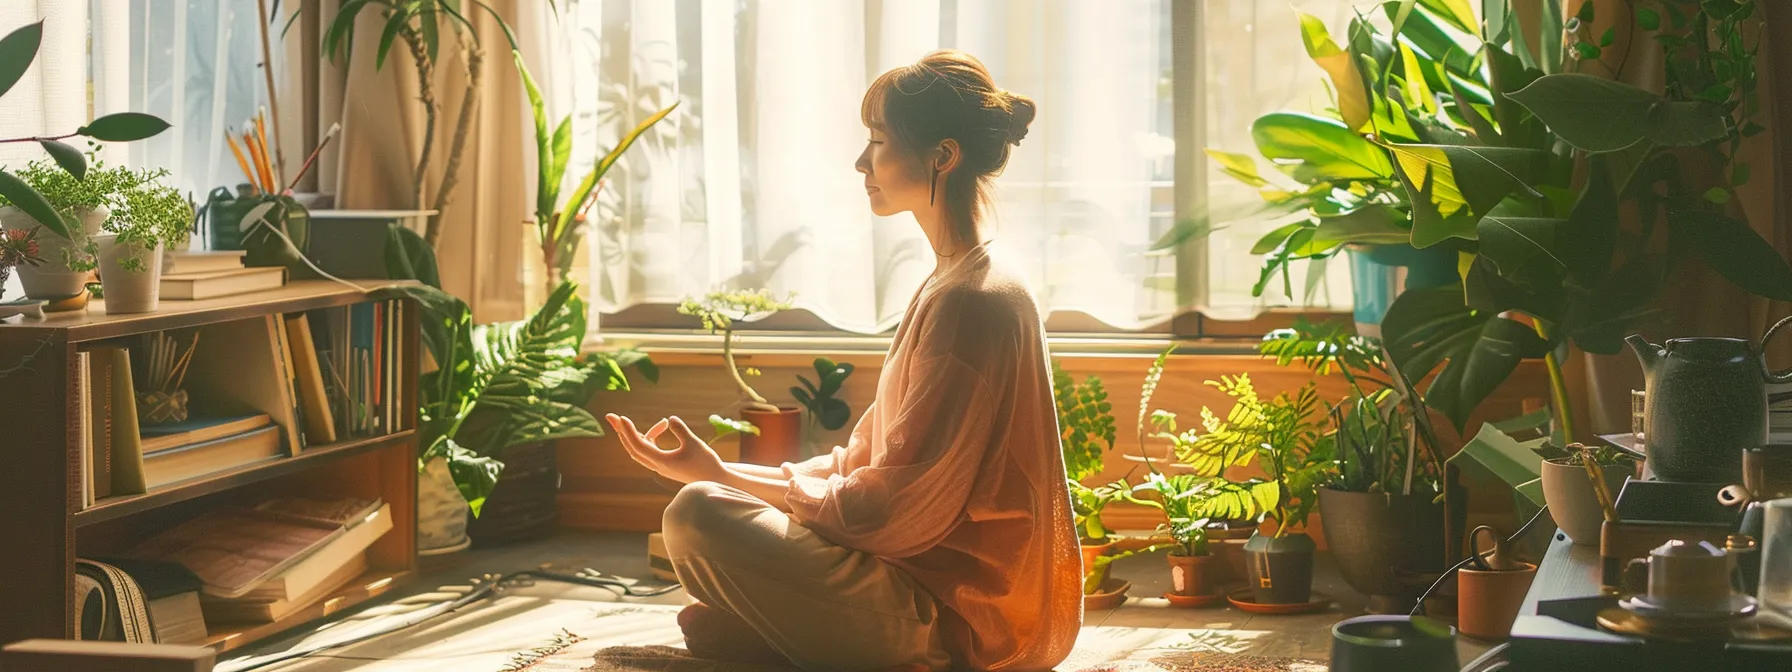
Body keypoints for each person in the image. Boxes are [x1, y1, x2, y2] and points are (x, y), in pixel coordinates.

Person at [605, 49, 1079, 671]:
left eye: (878, 141)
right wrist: (718, 467)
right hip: (934, 587)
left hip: (965, 627)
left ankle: (789, 642)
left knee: (698, 516)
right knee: (704, 505)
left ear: (943, 156)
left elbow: (890, 511)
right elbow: (868, 463)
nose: (862, 162)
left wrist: (722, 478)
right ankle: (788, 638)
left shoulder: (970, 301)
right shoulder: (959, 277)